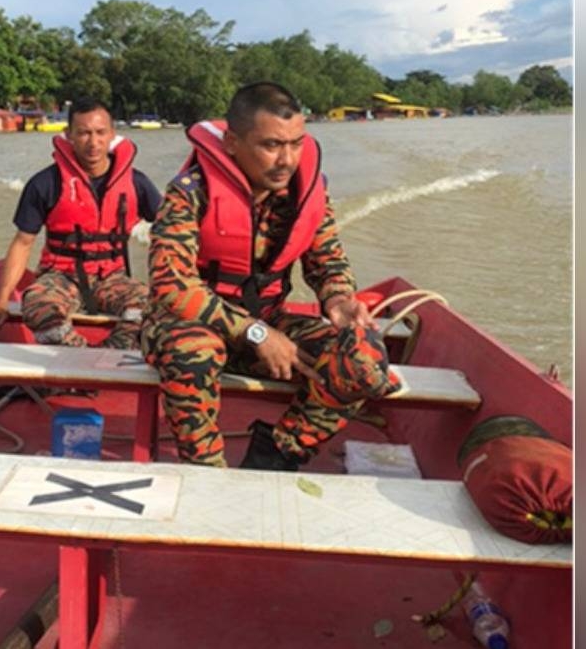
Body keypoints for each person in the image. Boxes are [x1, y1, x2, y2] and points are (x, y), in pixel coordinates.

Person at [141, 82, 400, 469]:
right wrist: (256, 334)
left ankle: (276, 456)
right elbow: (171, 286)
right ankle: (206, 473)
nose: (287, 160)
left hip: (270, 322)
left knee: (364, 360)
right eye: (271, 145)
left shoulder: (306, 194)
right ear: (231, 143)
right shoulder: (190, 193)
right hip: (187, 326)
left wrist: (339, 299)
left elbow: (328, 261)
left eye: (296, 143)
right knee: (192, 350)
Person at [0, 98, 162, 348]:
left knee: (154, 306)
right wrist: (0, 300)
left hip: (112, 277)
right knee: (37, 306)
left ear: (112, 134)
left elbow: (170, 233)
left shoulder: (137, 183)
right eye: (84, 133)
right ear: (69, 135)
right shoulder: (45, 183)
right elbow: (23, 243)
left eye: (100, 133)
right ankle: (81, 357)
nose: (93, 142)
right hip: (60, 277)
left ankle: (112, 354)